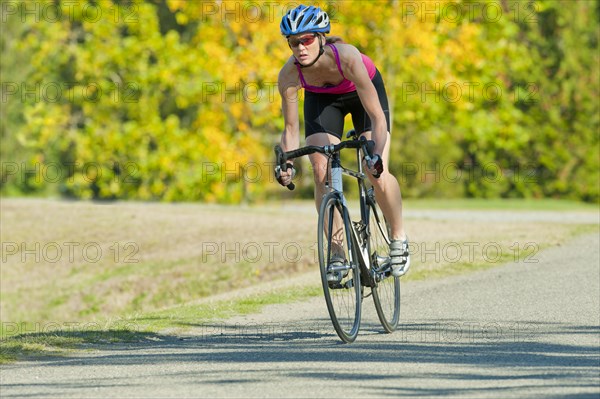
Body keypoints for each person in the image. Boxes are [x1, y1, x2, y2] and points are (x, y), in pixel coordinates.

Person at [275, 5, 410, 278]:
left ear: (321, 37)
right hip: (323, 101)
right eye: (293, 43)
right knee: (320, 171)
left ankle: (399, 238)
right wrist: (285, 162)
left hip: (362, 97)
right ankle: (338, 253)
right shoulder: (289, 74)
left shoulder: (346, 57)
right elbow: (290, 128)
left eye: (307, 40)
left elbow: (377, 117)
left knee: (375, 172)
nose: (301, 48)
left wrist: (377, 154)